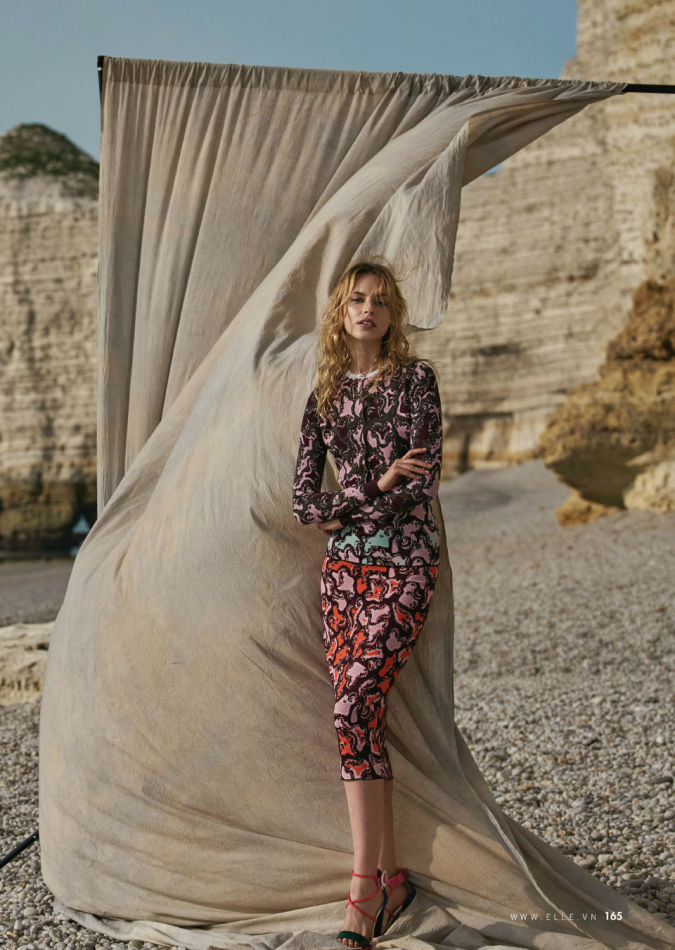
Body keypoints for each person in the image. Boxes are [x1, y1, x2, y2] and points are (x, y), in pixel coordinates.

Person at [292, 261, 444, 949]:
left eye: (380, 301)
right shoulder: (322, 395)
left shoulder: (416, 383)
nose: (367, 310)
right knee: (359, 721)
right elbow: (304, 504)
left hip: (404, 564)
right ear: (339, 311)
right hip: (342, 575)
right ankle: (391, 880)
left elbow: (421, 485)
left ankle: (361, 891)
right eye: (356, 299)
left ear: (393, 314)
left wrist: (351, 502)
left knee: (353, 707)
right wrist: (375, 485)